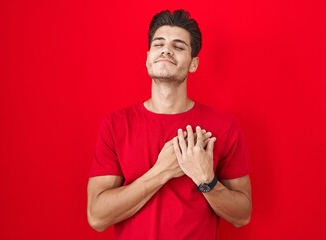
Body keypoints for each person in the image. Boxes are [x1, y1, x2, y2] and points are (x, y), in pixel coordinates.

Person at [87, 9, 252, 240]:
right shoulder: (116, 125)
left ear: (193, 64)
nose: (166, 49)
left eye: (179, 46)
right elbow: (97, 217)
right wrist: (162, 171)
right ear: (147, 58)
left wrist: (206, 181)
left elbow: (242, 215)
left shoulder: (224, 126)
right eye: (159, 43)